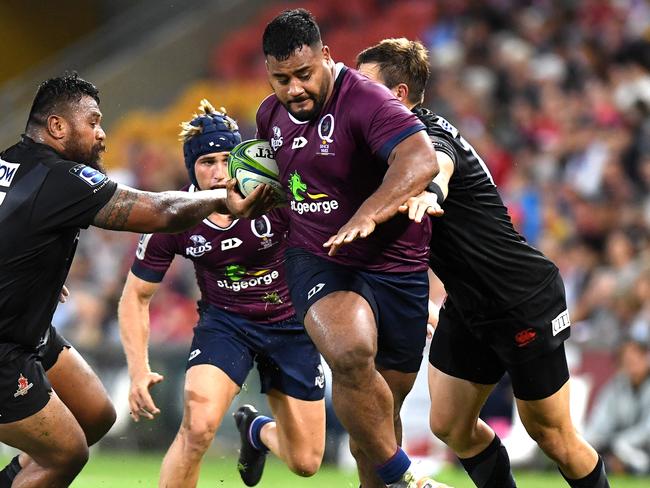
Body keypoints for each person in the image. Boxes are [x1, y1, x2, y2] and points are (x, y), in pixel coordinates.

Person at [356, 38, 611, 488]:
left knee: (553, 436)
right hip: (470, 305)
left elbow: (438, 165)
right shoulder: (384, 149)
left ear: (397, 95)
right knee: (451, 425)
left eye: (364, 85)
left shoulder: (426, 137)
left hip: (521, 298)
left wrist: (431, 191)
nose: (354, 95)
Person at [0, 73, 271, 488]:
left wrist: (29, 270)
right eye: (92, 122)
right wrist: (220, 198)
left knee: (96, 415)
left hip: (28, 329)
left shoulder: (10, 162)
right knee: (67, 453)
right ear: (57, 127)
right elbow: (158, 211)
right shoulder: (61, 178)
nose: (102, 133)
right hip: (4, 348)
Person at [256, 9, 450, 488]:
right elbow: (270, 189)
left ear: (325, 56)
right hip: (319, 256)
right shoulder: (268, 115)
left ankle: (386, 480)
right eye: (282, 79)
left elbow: (421, 158)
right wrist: (246, 199)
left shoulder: (366, 99)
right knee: (349, 354)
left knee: (382, 408)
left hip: (397, 263)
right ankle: (410, 481)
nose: (294, 88)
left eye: (303, 74)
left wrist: (369, 213)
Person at [117, 99, 326, 487]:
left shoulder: (275, 197)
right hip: (226, 325)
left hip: (292, 323)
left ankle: (256, 431)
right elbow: (135, 296)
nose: (217, 172)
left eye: (225, 159)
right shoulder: (174, 215)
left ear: (241, 158)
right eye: (206, 162)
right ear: (190, 168)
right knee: (197, 429)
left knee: (306, 461)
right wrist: (137, 370)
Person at [585, 337, 650, 475]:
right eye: (626, 360)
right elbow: (600, 422)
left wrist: (618, 442)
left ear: (646, 358)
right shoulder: (616, 386)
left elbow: (646, 430)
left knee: (624, 449)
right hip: (617, 447)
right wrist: (592, 442)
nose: (631, 363)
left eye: (636, 358)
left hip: (640, 448)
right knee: (589, 447)